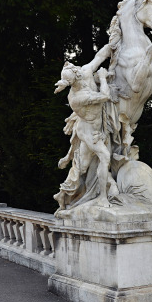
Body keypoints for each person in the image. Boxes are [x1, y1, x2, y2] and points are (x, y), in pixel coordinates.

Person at [53, 61, 118, 215]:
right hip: (88, 131)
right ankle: (103, 198)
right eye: (79, 76)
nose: (83, 77)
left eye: (80, 73)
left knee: (82, 166)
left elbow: (101, 55)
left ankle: (62, 194)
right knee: (105, 156)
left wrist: (114, 45)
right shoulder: (77, 97)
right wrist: (102, 78)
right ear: (74, 80)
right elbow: (105, 96)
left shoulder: (83, 78)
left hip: (97, 129)